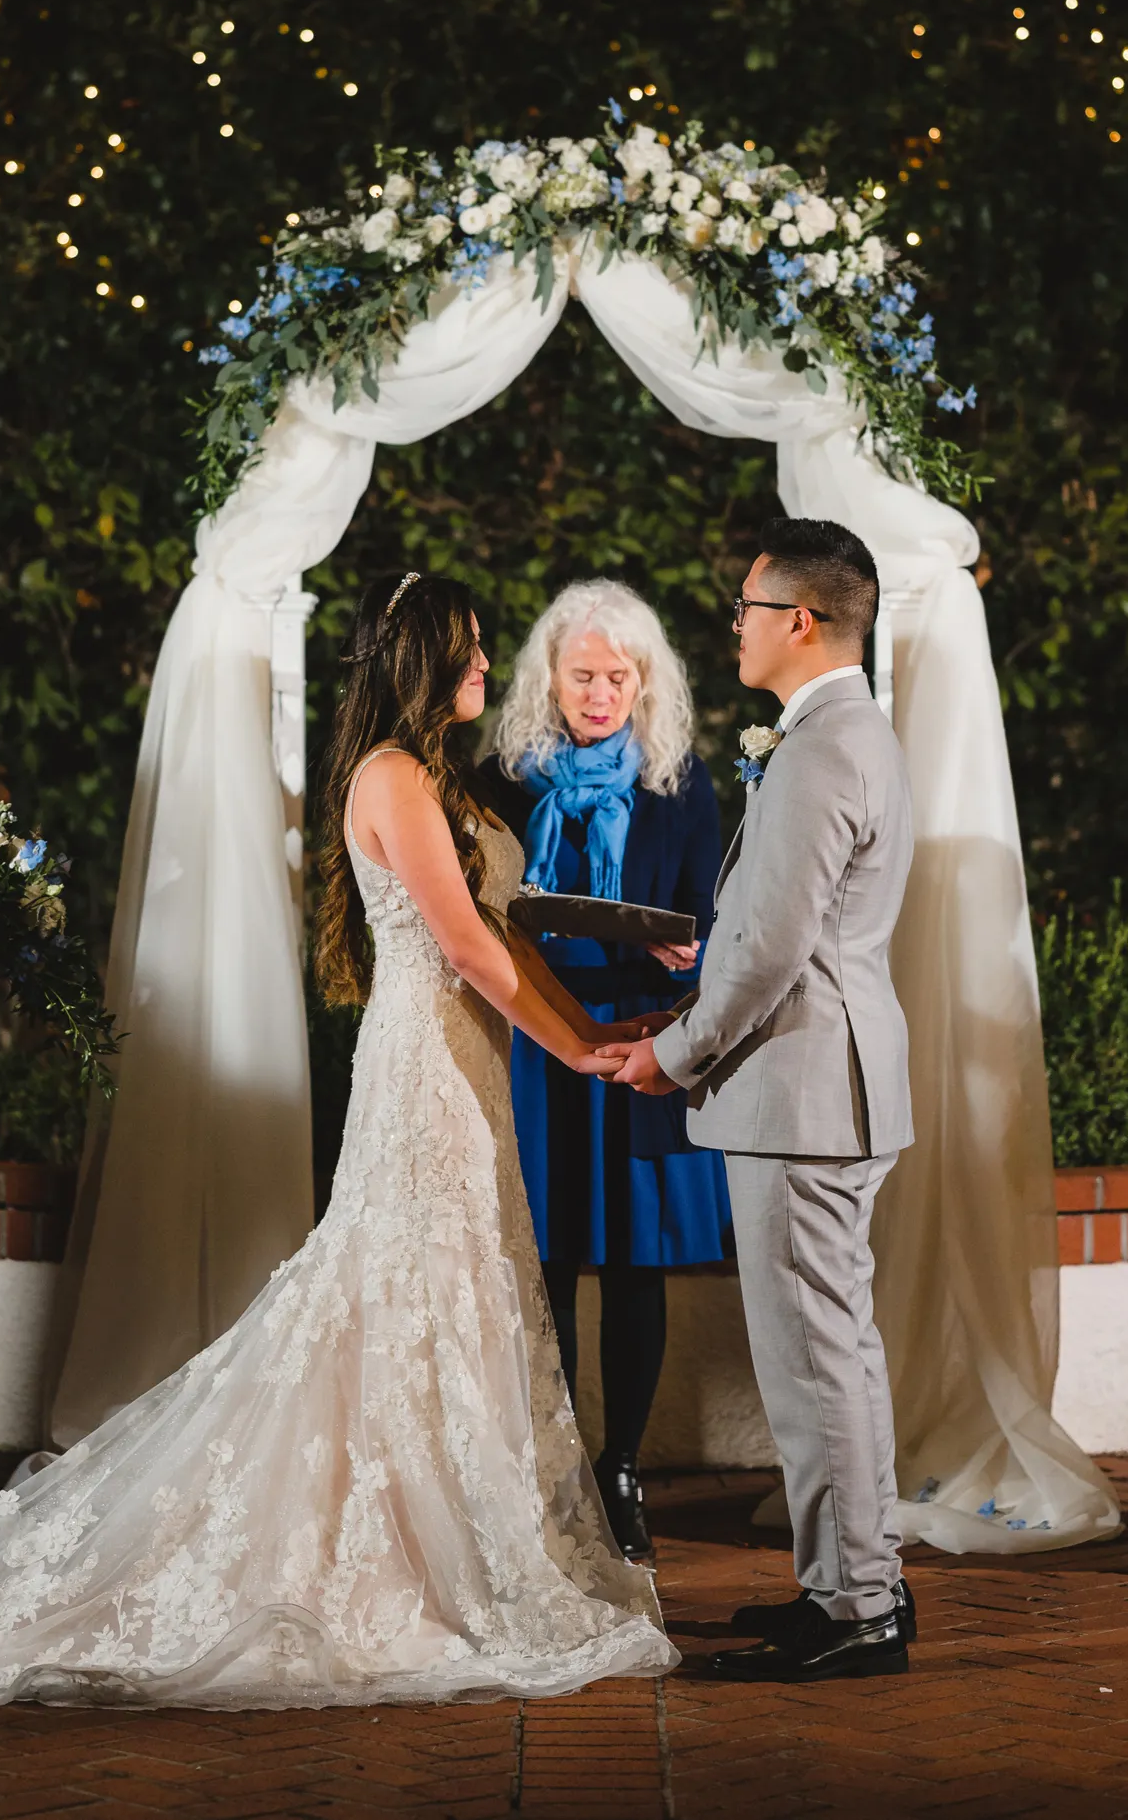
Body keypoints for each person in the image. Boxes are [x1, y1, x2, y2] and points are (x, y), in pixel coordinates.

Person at [0, 571, 677, 1707]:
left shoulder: (442, 781)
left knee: (454, 1292)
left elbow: (515, 941)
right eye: (464, 649)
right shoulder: (392, 777)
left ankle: (437, 1529)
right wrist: (570, 1054)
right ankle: (389, 1549)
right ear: (417, 659)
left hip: (473, 1071)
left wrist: (596, 1033)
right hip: (424, 1069)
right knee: (398, 1286)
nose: (481, 665)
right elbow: (464, 947)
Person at [616, 514, 917, 1683]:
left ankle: (858, 1611)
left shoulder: (824, 745)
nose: (733, 624)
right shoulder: (850, 733)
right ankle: (850, 1586)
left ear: (799, 618)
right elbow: (788, 927)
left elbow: (774, 954)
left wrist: (676, 1051)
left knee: (814, 1361)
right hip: (825, 1083)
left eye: (747, 606)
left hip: (802, 1094)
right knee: (831, 1354)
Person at [477, 581, 729, 1560]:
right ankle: (555, 1465)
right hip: (540, 1038)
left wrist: (688, 952)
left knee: (633, 1258)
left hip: (637, 1036)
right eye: (582, 674)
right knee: (544, 1263)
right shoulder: (503, 775)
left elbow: (713, 913)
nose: (600, 693)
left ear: (645, 680)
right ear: (550, 675)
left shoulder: (678, 781)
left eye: (619, 676)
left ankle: (621, 1465)